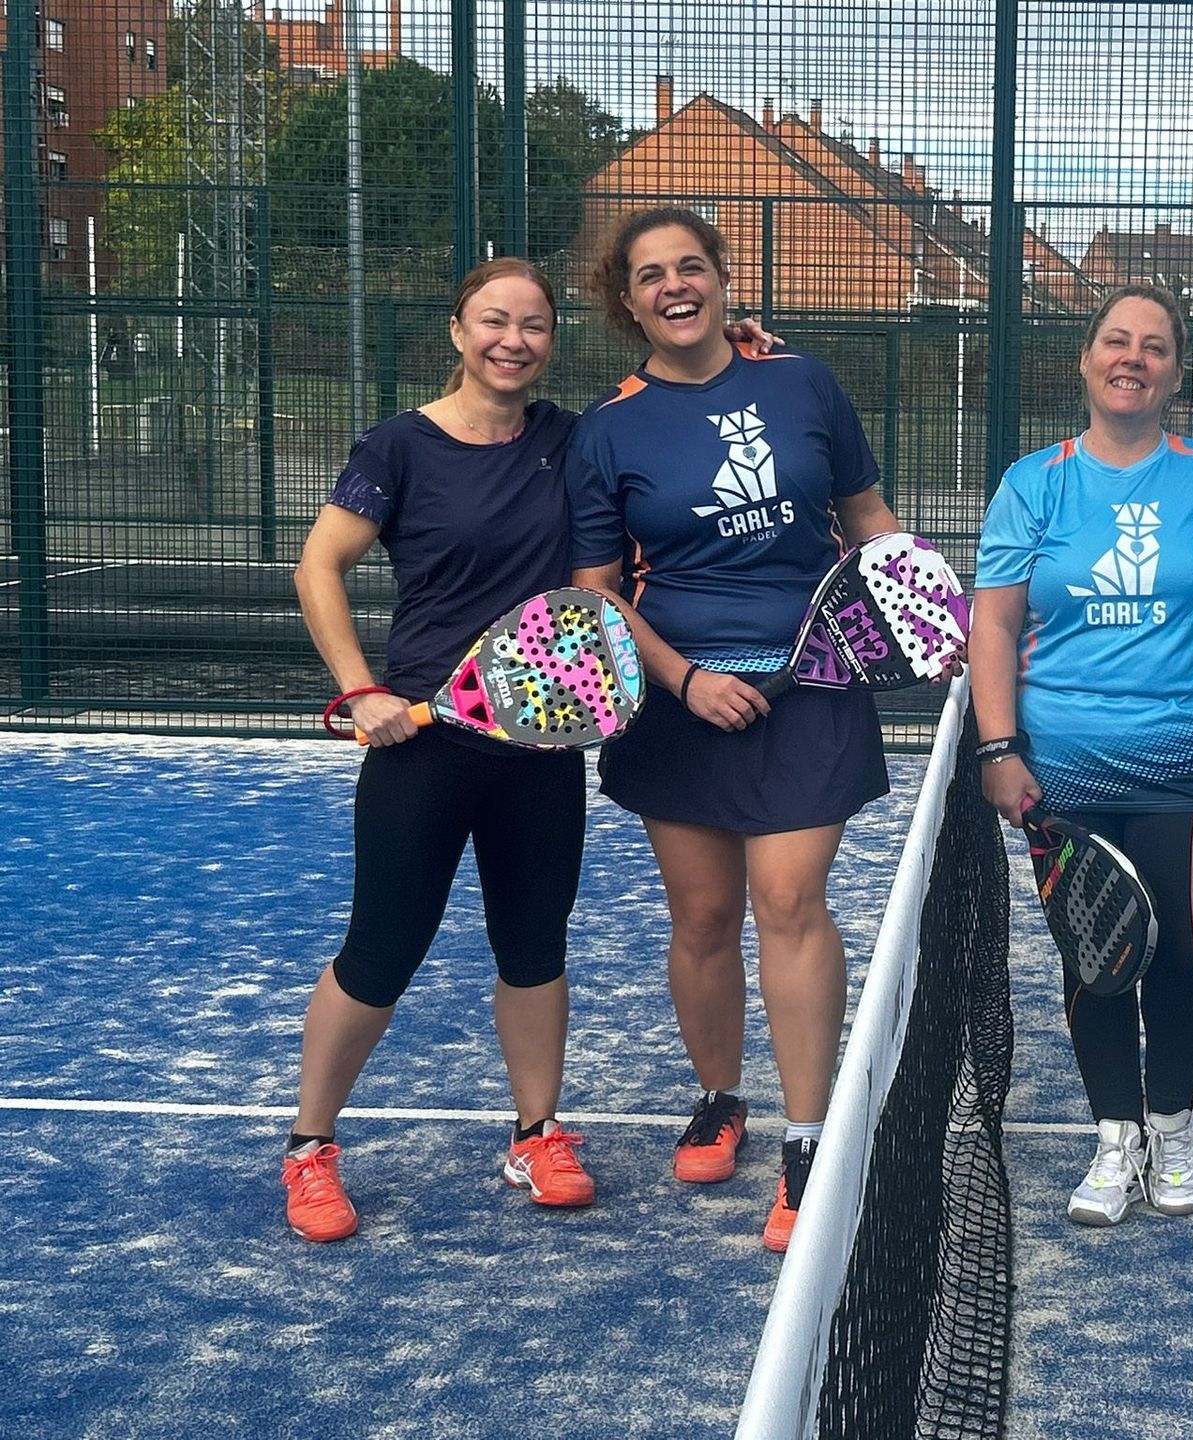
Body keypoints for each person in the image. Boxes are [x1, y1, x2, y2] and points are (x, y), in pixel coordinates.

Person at [566, 206, 906, 1253]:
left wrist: (911, 598)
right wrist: (684, 680)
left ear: (722, 277)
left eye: (692, 267)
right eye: (651, 276)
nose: (675, 287)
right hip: (681, 707)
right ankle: (720, 1096)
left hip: (815, 686)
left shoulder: (802, 383)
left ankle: (808, 1144)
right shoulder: (604, 431)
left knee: (788, 899)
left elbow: (869, 520)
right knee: (703, 916)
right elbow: (594, 591)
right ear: (624, 301)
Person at [284, 258, 593, 1241]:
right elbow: (319, 565)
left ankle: (537, 1134)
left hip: (540, 742)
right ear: (457, 331)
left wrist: (752, 347)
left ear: (552, 339)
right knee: (381, 949)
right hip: (423, 746)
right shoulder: (398, 446)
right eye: (494, 321)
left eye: (534, 324)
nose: (513, 340)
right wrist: (361, 687)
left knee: (534, 947)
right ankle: (309, 1148)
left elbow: (673, 399)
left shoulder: (574, 440)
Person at [972, 285, 1193, 1226]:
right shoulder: (1034, 483)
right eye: (1116, 342)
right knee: (1099, 957)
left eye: (1156, 347)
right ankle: (1114, 1137)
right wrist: (1000, 746)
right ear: (1088, 360)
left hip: (1189, 758)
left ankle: (1173, 1126)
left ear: (1177, 372)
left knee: (1188, 952)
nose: (1133, 358)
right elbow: (996, 625)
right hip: (1065, 766)